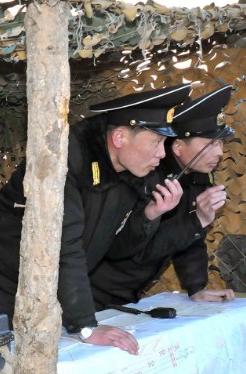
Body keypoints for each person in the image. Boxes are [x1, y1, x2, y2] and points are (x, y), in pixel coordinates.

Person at [0, 85, 193, 354]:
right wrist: (85, 325)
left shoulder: (131, 171)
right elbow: (62, 245)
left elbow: (116, 250)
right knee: (2, 370)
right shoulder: (62, 157)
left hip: (52, 291)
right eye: (156, 142)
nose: (163, 154)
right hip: (1, 284)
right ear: (120, 137)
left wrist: (150, 215)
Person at [90, 85, 236, 308]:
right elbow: (138, 250)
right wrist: (198, 220)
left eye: (220, 143)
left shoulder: (196, 175)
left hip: (129, 293)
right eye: (209, 144)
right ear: (177, 146)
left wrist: (196, 287)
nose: (219, 152)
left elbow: (189, 237)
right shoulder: (144, 174)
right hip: (94, 291)